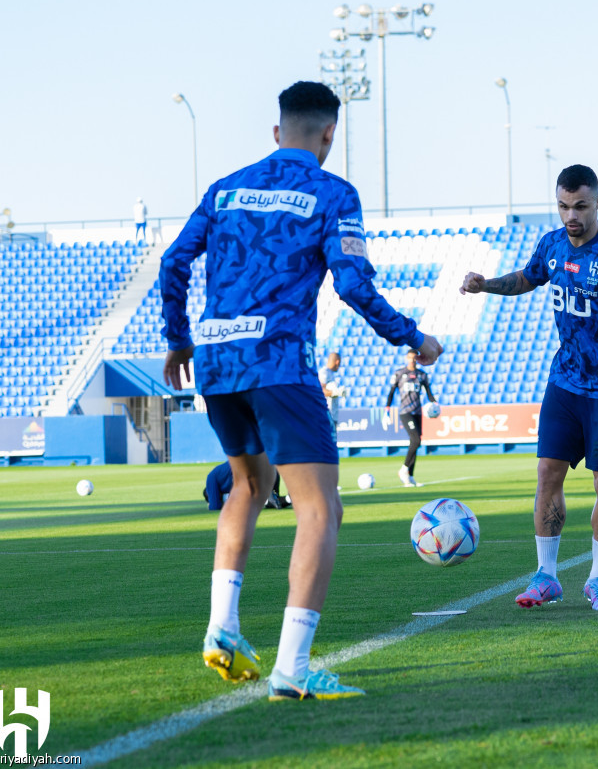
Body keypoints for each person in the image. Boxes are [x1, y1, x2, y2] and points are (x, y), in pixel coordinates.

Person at [161, 80, 443, 701]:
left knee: (248, 487)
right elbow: (353, 285)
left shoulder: (225, 188)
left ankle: (223, 628)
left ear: (276, 131)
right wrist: (413, 336)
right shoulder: (332, 192)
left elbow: (173, 261)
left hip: (216, 359)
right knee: (320, 508)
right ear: (329, 135)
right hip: (280, 361)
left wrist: (178, 339)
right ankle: (292, 666)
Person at [460, 164, 598, 612]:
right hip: (565, 380)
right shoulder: (551, 244)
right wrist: (485, 286)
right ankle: (546, 576)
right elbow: (527, 278)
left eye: (580, 206)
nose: (571, 215)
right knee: (547, 473)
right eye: (563, 206)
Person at [385, 347, 437, 487]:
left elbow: (429, 392)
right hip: (405, 412)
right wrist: (387, 409)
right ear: (406, 358)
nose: (412, 360)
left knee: (416, 442)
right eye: (410, 357)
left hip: (417, 412)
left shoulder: (422, 375)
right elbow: (391, 392)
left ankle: (411, 476)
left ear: (417, 359)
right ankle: (404, 469)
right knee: (415, 440)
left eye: (414, 358)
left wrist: (435, 403)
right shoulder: (399, 373)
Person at [318, 352, 346, 427]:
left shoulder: (330, 373)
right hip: (327, 414)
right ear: (337, 362)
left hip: (332, 415)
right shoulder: (324, 372)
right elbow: (321, 390)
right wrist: (336, 392)